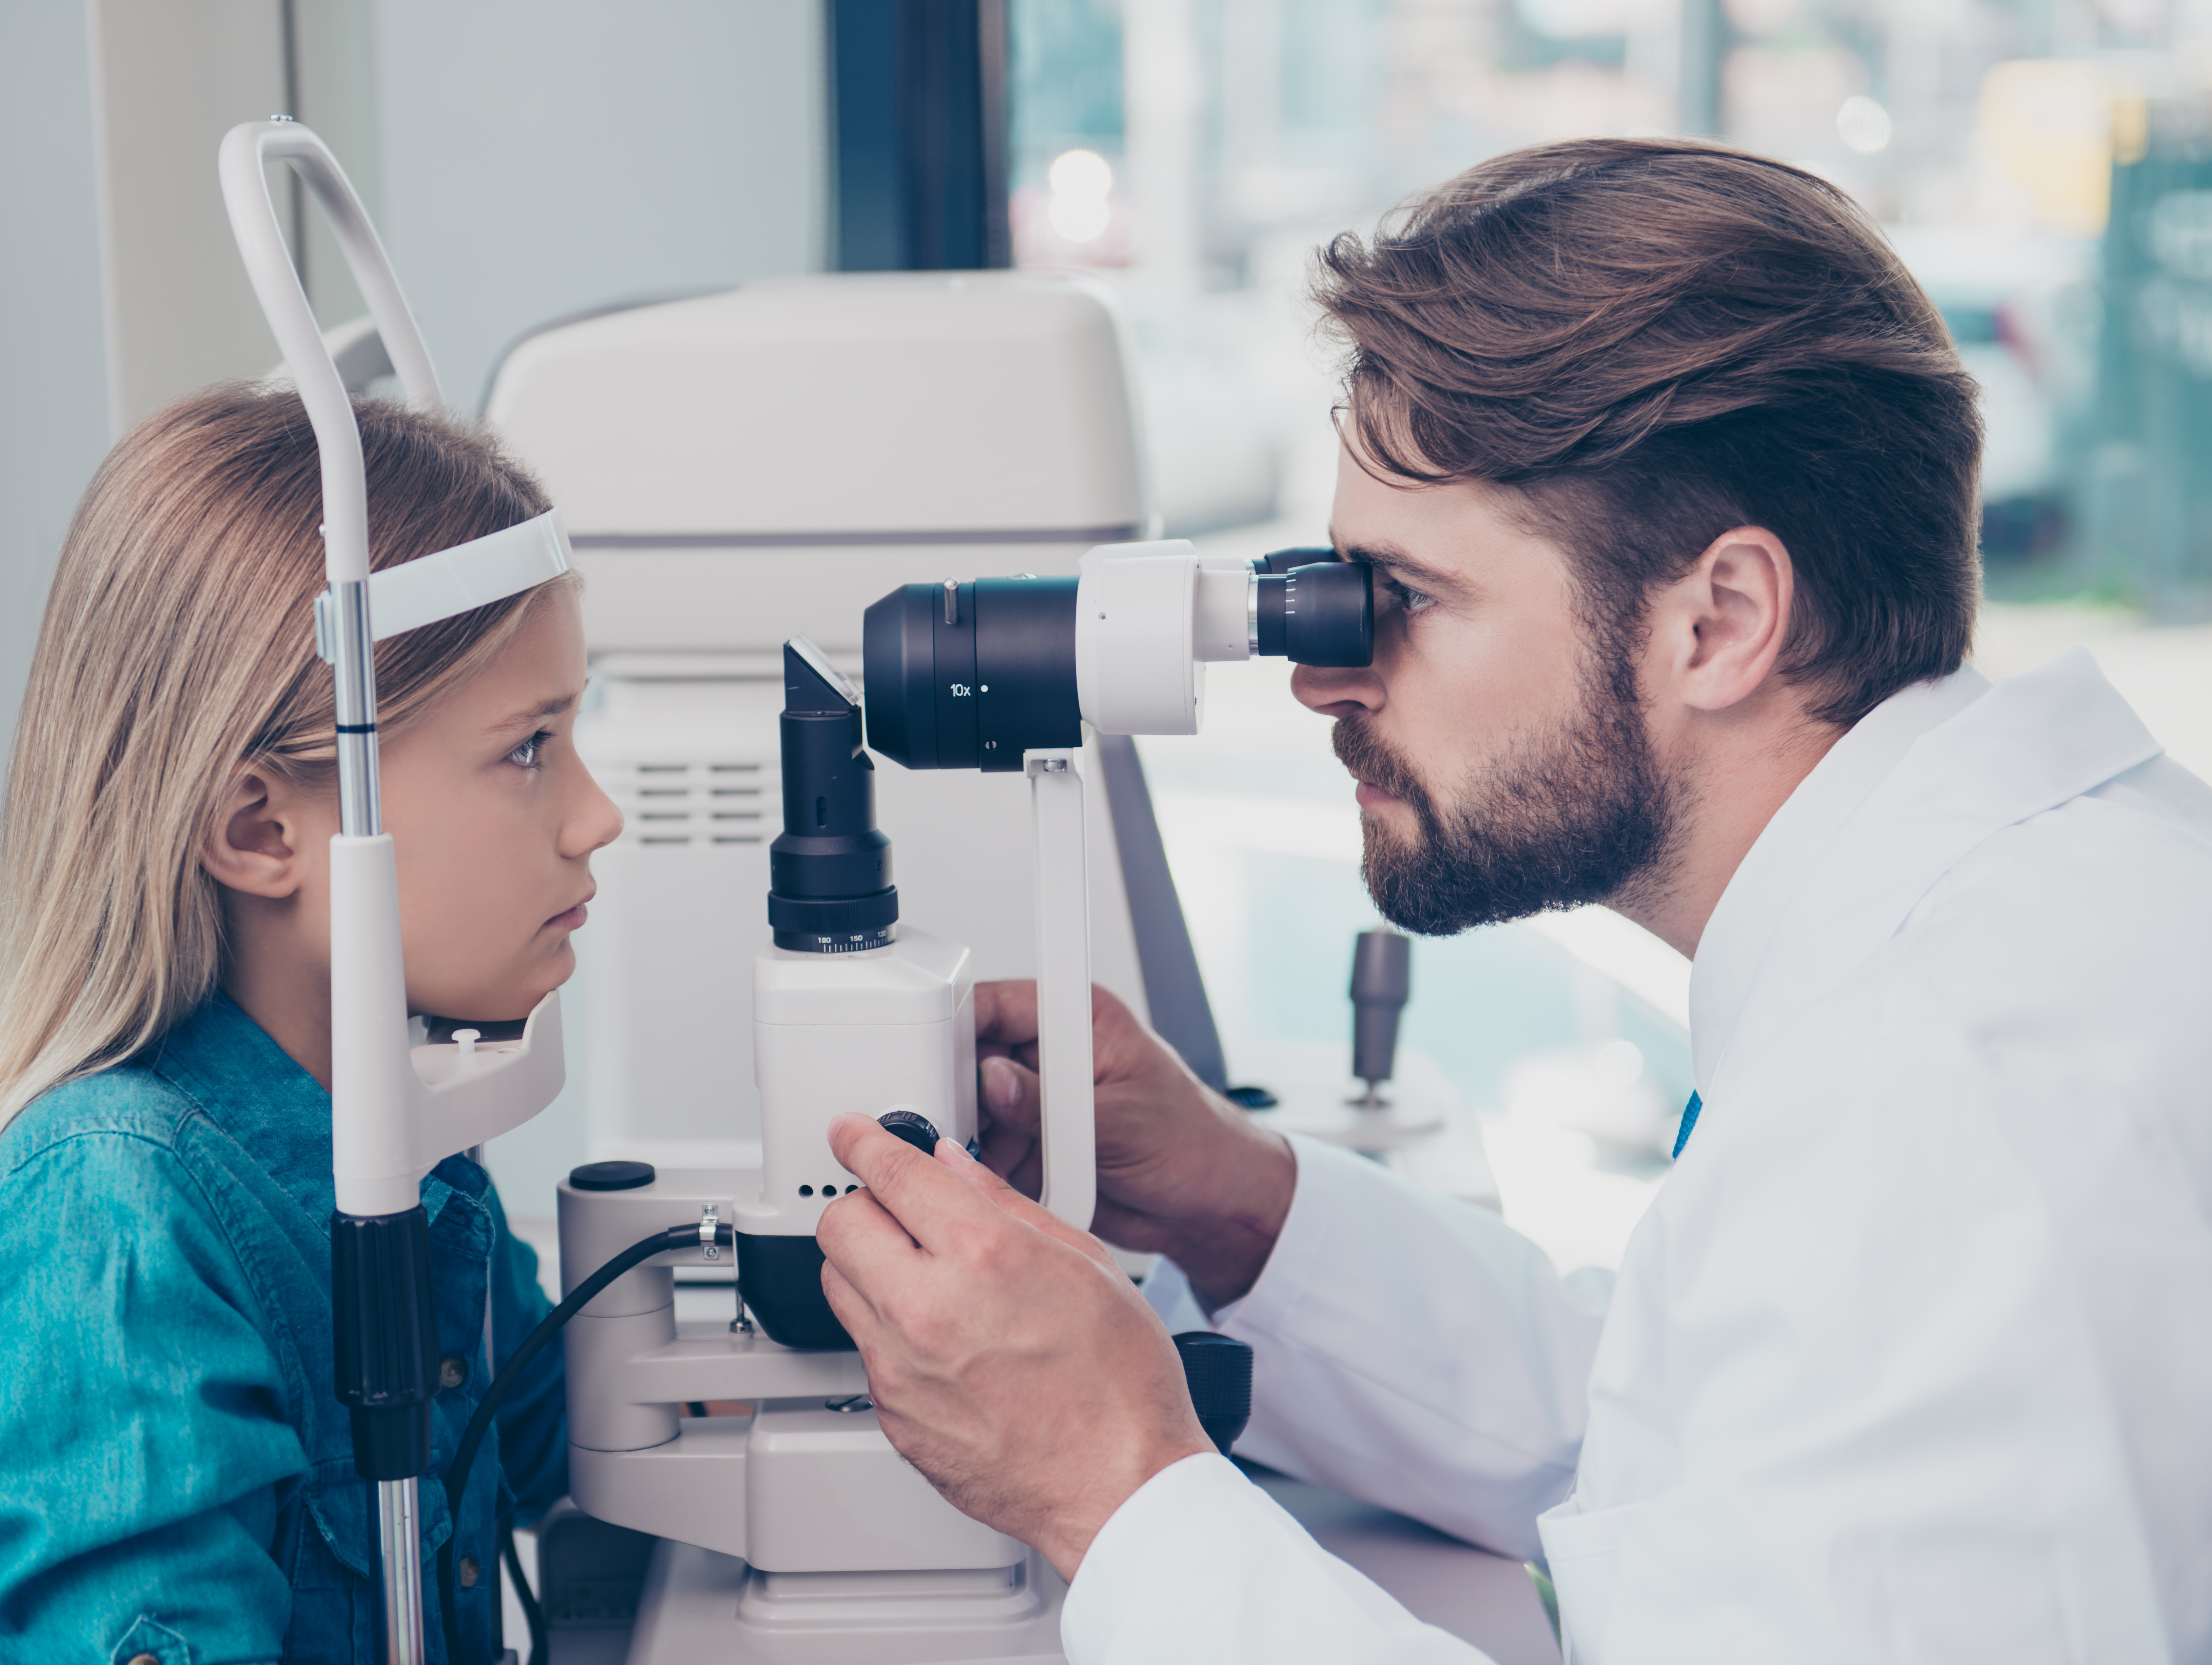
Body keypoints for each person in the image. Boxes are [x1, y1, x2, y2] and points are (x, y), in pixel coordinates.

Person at [813, 137, 2212, 1661]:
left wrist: (1116, 1493)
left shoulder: (1939, 1098)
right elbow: (1698, 1440)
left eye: (1398, 600)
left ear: (1718, 621)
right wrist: (1240, 1206)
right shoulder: (1996, 935)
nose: (1319, 675)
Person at [0, 388, 623, 1662]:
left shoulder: (399, 1138)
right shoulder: (109, 1230)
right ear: (261, 830)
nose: (597, 816)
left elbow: (568, 1434)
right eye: (530, 749)